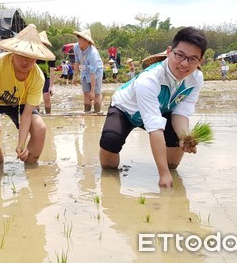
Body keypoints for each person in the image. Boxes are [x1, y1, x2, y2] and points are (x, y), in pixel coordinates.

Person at [98, 27, 208, 188]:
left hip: (160, 110)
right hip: (126, 109)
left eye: (192, 59)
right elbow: (154, 127)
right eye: (180, 55)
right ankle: (109, 182)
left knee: (177, 147)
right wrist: (163, 174)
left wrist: (185, 137)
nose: (185, 64)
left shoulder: (196, 79)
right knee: (110, 142)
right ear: (170, 51)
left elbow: (181, 112)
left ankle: (170, 168)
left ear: (200, 61)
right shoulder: (149, 80)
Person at [0, 23, 55, 164]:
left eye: (31, 57)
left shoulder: (38, 77)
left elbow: (26, 114)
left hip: (19, 103)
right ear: (14, 51)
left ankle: (31, 169)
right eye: (21, 55)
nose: (26, 61)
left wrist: (21, 144)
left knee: (40, 128)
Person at [72, 29, 104, 113]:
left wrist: (92, 91)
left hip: (96, 72)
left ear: (87, 41)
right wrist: (75, 76)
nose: (78, 42)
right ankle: (87, 113)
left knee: (96, 94)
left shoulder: (93, 53)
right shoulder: (76, 47)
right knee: (86, 93)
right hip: (84, 71)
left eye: (80, 40)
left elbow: (92, 73)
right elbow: (77, 61)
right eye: (78, 39)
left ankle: (97, 113)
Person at [36, 31, 56, 114]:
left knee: (46, 97)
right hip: (35, 78)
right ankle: (36, 115)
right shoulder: (33, 54)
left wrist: (51, 86)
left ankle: (48, 115)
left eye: (43, 44)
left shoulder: (51, 56)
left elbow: (51, 72)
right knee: (35, 99)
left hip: (46, 78)